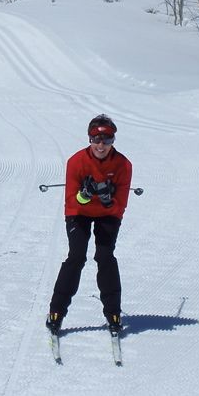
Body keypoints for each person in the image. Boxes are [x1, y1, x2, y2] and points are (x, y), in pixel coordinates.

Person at [46, 114, 132, 335]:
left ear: (113, 140)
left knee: (105, 257)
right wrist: (85, 195)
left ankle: (113, 313)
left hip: (108, 214)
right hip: (79, 213)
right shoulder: (76, 162)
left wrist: (106, 200)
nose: (101, 145)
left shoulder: (123, 164)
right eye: (96, 139)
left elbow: (120, 206)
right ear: (89, 139)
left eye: (107, 140)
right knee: (76, 256)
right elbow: (71, 202)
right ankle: (56, 312)